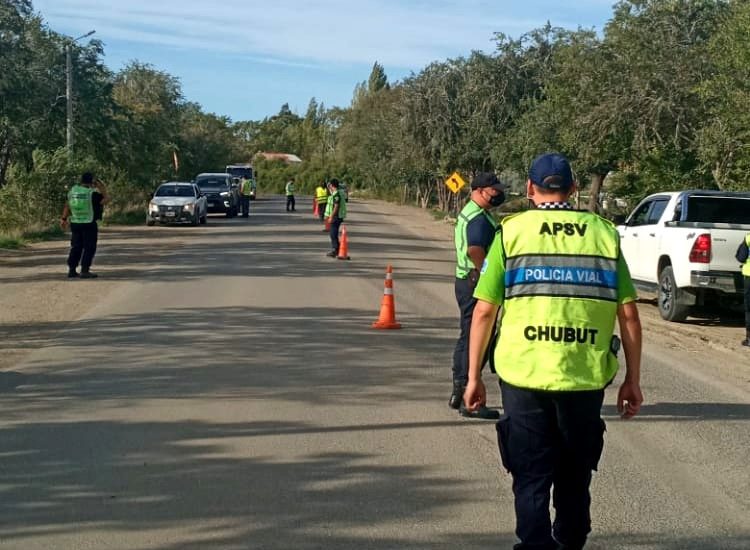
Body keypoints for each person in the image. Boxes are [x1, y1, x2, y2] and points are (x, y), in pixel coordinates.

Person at [464, 153, 643, 550]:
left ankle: (534, 545)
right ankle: (571, 542)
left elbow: (484, 311)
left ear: (530, 190)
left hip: (523, 374)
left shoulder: (511, 232)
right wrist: (632, 379)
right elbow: (628, 314)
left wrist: (474, 377)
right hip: (584, 374)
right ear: (574, 189)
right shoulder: (604, 233)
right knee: (575, 476)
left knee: (530, 477)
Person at [449, 172, 506, 420]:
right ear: (480, 190)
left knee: (468, 335)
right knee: (477, 338)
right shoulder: (479, 220)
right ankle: (468, 398)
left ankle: (459, 390)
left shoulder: (471, 212)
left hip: (465, 281)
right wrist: (488, 276)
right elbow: (475, 250)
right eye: (493, 190)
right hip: (474, 282)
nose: (498, 194)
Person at [61, 172, 108, 279]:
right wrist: (102, 187)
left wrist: (63, 219)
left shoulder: (73, 191)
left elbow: (67, 205)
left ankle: (72, 270)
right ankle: (84, 270)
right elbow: (106, 200)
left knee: (76, 247)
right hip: (88, 223)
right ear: (92, 182)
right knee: (89, 247)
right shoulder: (91, 194)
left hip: (75, 223)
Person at [325, 178, 346, 258]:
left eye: (330, 185)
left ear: (332, 185)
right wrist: (329, 187)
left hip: (336, 216)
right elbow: (332, 193)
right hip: (339, 216)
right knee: (333, 233)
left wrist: (331, 216)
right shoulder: (339, 192)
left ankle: (335, 250)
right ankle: (337, 249)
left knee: (333, 234)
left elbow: (336, 206)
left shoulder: (336, 194)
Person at [736, 234, 750, 346]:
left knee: (749, 308)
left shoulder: (748, 237)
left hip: (749, 276)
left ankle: (749, 339)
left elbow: (741, 257)